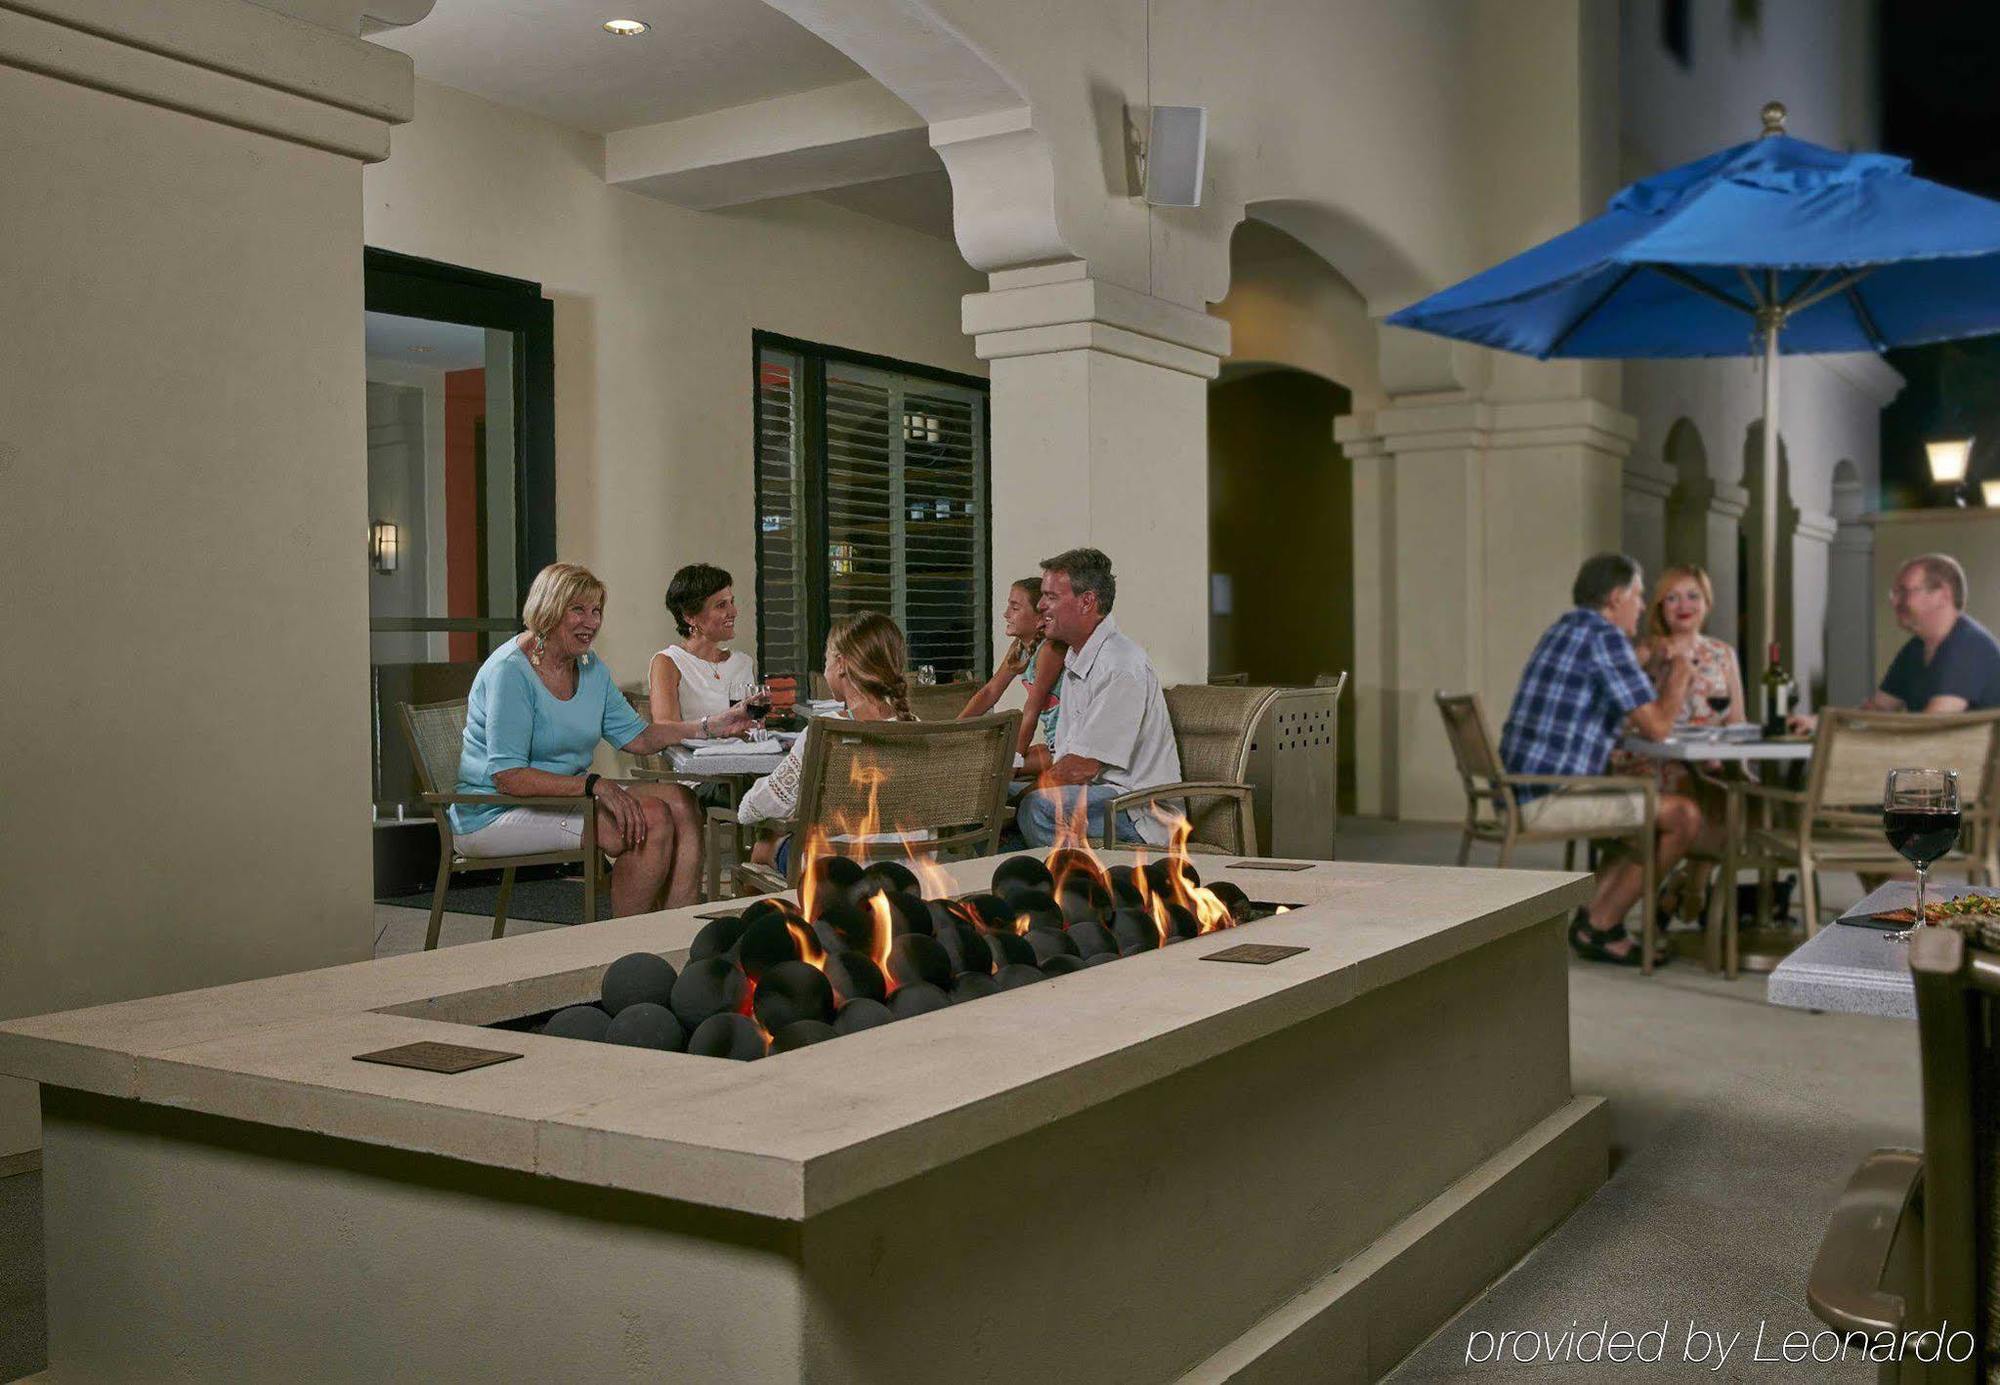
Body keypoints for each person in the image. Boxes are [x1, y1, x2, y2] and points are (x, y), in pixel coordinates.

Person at [453, 562, 750, 915]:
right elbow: (508, 777)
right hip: (493, 812)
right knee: (650, 817)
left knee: (683, 801)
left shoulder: (590, 667)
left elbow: (639, 737)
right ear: (548, 610)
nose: (591, 622)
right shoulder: (510, 672)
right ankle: (624, 945)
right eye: (577, 609)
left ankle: (676, 930)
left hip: (567, 793)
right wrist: (596, 785)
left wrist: (710, 726)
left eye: (596, 611)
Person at [1500, 553, 1704, 965]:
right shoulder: (1605, 638)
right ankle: (1601, 925)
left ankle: (1595, 919)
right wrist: (1681, 676)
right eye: (1639, 596)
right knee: (1683, 816)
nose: (1643, 606)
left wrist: (1643, 663)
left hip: (1519, 788)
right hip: (1551, 798)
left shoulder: (1566, 628)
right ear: (1616, 597)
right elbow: (1659, 728)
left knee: (1646, 812)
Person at [1015, 548, 1182, 847]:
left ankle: (1071, 888)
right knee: (985, 806)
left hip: (1135, 810)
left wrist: (1027, 795)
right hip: (1096, 796)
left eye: (1051, 597)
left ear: (1087, 602)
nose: (1040, 605)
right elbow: (1067, 755)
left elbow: (1081, 767)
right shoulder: (1078, 657)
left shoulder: (1120, 665)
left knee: (1036, 807)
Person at [738, 611, 915, 874]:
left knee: (764, 845)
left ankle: (787, 915)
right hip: (908, 864)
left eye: (826, 660)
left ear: (841, 664)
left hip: (841, 867)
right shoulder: (915, 727)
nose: (825, 668)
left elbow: (755, 810)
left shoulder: (825, 730)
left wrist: (753, 800)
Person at [1626, 565, 1743, 922]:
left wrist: (1722, 753)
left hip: (1711, 760)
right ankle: (1688, 890)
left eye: (1693, 596)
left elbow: (1736, 721)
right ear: (1660, 607)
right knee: (1692, 784)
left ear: (1707, 603)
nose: (1683, 605)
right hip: (1657, 760)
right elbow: (1630, 720)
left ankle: (1688, 885)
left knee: (1736, 788)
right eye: (1672, 598)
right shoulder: (1645, 653)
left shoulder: (1722, 654)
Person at [1794, 554, 2000, 730]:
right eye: (1894, 593)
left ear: (1942, 595)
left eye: (1904, 591)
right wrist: (1820, 722)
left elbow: (1931, 727)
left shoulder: (1968, 648)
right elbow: (1879, 709)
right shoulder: (1916, 648)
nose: (1894, 601)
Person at [958, 576, 1064, 756]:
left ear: (1040, 618)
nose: (1006, 614)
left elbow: (1032, 710)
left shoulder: (1049, 650)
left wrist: (1015, 761)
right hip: (1052, 745)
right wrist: (951, 730)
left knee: (993, 769)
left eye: (1015, 608)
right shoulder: (1019, 647)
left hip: (1066, 749)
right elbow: (990, 692)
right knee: (988, 761)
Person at [649, 562, 757, 728]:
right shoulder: (668, 662)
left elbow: (751, 725)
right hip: (694, 754)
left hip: (745, 752)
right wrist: (716, 728)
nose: (734, 612)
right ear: (690, 616)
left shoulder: (743, 663)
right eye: (721, 605)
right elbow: (665, 729)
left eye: (731, 602)